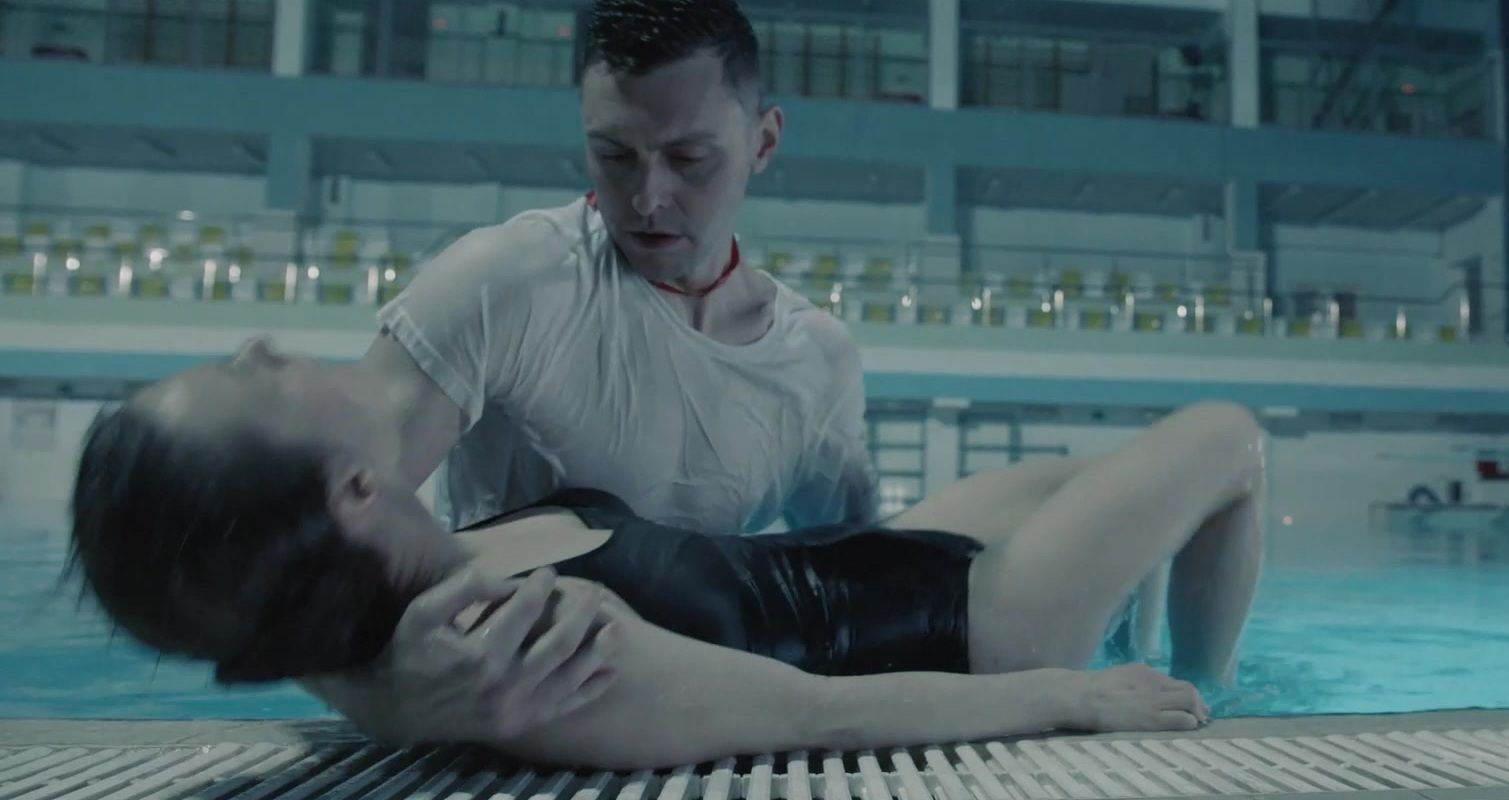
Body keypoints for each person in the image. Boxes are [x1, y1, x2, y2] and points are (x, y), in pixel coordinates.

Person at [67, 340, 1266, 769]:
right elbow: (816, 718)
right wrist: (1067, 696)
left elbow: (270, 622)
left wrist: (381, 698)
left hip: (881, 555)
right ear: (350, 493)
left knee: (1119, 471)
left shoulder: (390, 614)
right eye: (248, 374)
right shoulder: (537, 651)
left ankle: (1162, 642)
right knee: (1228, 438)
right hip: (977, 627)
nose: (261, 344)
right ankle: (1214, 691)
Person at [335, 0, 880, 743]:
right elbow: (313, 536)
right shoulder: (505, 283)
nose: (648, 197)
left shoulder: (815, 360)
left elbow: (861, 592)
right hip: (503, 738)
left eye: (689, 159)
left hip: (698, 733)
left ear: (763, 141)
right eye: (615, 155)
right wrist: (385, 697)